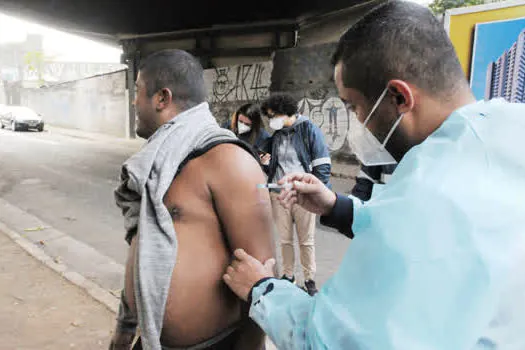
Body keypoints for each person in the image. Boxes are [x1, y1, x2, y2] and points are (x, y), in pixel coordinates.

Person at [221, 1, 525, 349]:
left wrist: (261, 289)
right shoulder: (508, 127)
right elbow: (446, 224)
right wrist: (338, 206)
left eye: (354, 106)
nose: (357, 121)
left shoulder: (427, 191)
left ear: (399, 96)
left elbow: (328, 340)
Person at [109, 49, 274, 350]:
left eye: (137, 92)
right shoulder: (153, 165)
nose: (133, 102)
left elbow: (262, 275)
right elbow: (143, 250)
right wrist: (124, 328)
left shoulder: (228, 160)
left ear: (162, 98)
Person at [260, 93, 331, 296]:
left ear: (287, 112)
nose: (272, 120)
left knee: (306, 239)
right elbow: (274, 164)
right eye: (270, 116)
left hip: (302, 194)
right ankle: (288, 275)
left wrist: (316, 192)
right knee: (285, 239)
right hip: (278, 193)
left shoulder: (309, 130)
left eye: (274, 115)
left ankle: (309, 279)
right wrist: (266, 165)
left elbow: (322, 165)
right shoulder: (277, 135)